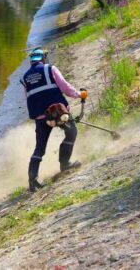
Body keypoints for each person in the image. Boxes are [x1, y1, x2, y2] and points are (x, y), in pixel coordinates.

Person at [20, 47, 88, 192]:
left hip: (40, 116)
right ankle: (65, 164)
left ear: (32, 61)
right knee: (71, 132)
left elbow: (28, 97)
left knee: (40, 147)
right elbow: (65, 88)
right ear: (43, 58)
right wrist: (79, 94)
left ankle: (33, 181)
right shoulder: (50, 69)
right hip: (58, 111)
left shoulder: (25, 78)